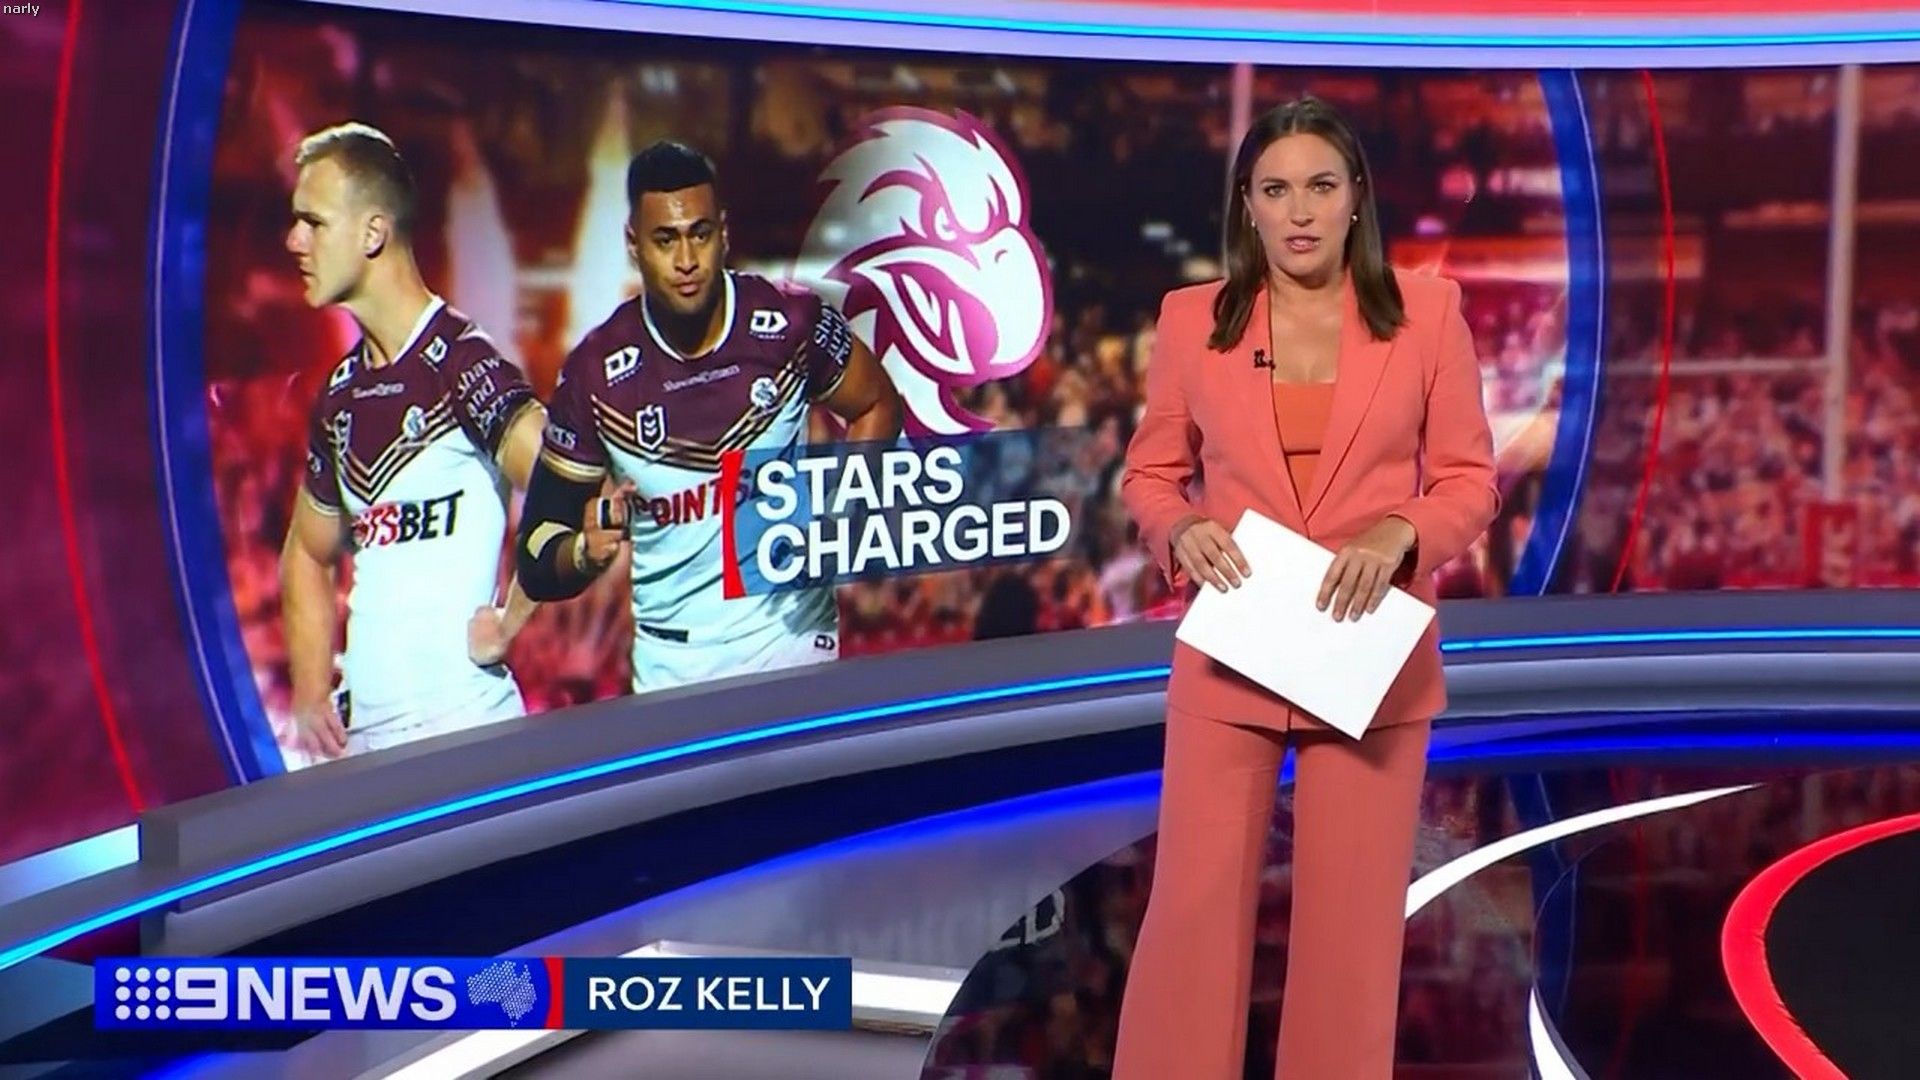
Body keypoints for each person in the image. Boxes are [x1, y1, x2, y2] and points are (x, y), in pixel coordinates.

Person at [1113, 97, 1499, 1078]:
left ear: (1355, 196)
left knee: (1350, 936)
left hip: (1366, 657)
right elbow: (1150, 476)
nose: (1299, 211)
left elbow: (1470, 482)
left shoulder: (1427, 314)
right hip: (1236, 650)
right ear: (1246, 204)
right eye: (1275, 189)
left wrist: (1403, 530)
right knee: (1193, 915)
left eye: (1321, 186)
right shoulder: (1193, 319)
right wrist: (1179, 527)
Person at [514, 140, 901, 692]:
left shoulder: (791, 321)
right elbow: (537, 553)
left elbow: (876, 403)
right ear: (633, 244)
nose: (686, 260)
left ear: (724, 231)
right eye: (665, 240)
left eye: (700, 234)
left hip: (792, 637)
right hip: (675, 663)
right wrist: (582, 554)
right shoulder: (595, 373)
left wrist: (840, 515)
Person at [279, 122, 548, 759]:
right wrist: (310, 691)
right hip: (366, 748)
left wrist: (511, 619)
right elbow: (307, 553)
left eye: (313, 222)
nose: (294, 241)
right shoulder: (340, 396)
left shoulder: (462, 361)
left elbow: (565, 481)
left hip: (466, 735)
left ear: (373, 232)